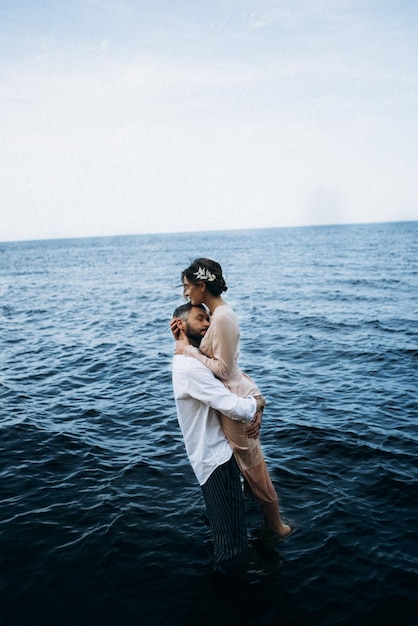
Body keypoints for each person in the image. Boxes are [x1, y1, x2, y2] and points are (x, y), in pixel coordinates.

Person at [173, 258, 292, 538]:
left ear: (202, 286)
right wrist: (184, 340)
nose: (185, 293)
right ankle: (256, 516)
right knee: (245, 467)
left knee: (253, 468)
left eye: (188, 286)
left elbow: (225, 370)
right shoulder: (216, 317)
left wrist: (189, 352)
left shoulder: (223, 318)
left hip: (234, 397)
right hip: (233, 395)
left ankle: (277, 528)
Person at [171, 302, 265, 579]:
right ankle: (228, 597)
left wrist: (181, 341)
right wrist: (258, 403)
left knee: (223, 527)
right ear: (180, 324)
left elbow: (229, 375)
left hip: (209, 457)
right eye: (200, 319)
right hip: (217, 460)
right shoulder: (190, 367)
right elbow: (232, 405)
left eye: (209, 319)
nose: (208, 324)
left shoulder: (190, 359)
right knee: (233, 546)